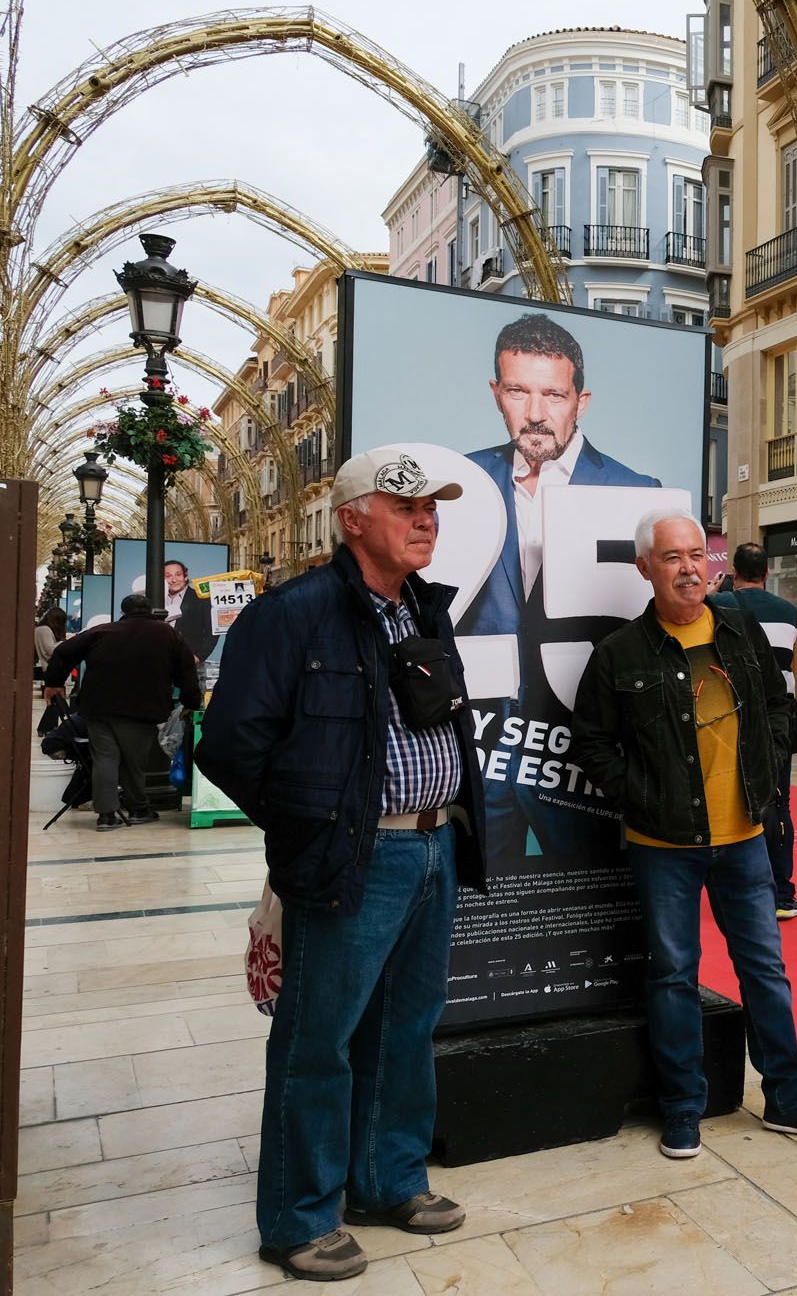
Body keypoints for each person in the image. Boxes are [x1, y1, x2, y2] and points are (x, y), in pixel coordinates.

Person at [197, 447, 488, 1282]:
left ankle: (387, 1180)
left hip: (433, 844)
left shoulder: (425, 611)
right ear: (352, 517)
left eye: (433, 505)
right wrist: (314, 825)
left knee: (405, 1028)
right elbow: (230, 744)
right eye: (406, 505)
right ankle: (297, 1216)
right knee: (317, 1040)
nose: (426, 517)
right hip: (357, 854)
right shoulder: (294, 613)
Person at [570, 508, 797, 1160]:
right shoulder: (621, 654)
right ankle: (682, 1108)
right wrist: (639, 796)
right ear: (645, 568)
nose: (689, 568)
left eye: (697, 554)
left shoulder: (739, 629)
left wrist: (769, 774)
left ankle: (788, 1095)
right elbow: (590, 740)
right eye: (672, 557)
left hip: (744, 838)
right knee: (673, 974)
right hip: (662, 845)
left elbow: (779, 707)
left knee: (765, 968)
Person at [457, 313, 663, 860]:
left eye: (554, 394)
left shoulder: (634, 491)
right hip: (482, 746)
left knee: (589, 897)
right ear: (496, 394)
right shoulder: (461, 483)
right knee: (479, 909)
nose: (536, 413)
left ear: (581, 401)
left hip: (578, 744)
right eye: (519, 392)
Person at [43, 593, 201, 831]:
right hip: (141, 709)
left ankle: (106, 816)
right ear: (149, 610)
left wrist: (53, 682)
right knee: (133, 762)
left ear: (123, 611)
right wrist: (191, 701)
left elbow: (64, 651)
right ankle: (138, 809)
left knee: (104, 758)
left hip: (98, 708)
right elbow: (186, 669)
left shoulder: (103, 631)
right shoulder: (167, 634)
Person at [715, 542, 797, 920]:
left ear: (734, 572)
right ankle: (782, 893)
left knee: (726, 797)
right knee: (778, 802)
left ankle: (731, 888)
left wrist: (719, 590)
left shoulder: (722, 605)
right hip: (776, 719)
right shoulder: (789, 612)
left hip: (730, 713)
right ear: (766, 573)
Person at [162, 559, 217, 660]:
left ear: (185, 576)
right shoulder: (157, 599)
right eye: (168, 576)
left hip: (188, 660)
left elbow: (212, 633)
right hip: (160, 659)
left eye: (178, 574)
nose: (174, 580)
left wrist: (198, 657)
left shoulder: (201, 599)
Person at [32, 606, 66, 683]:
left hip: (48, 669)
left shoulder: (41, 629)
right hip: (50, 669)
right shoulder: (44, 629)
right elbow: (51, 650)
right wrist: (65, 642)